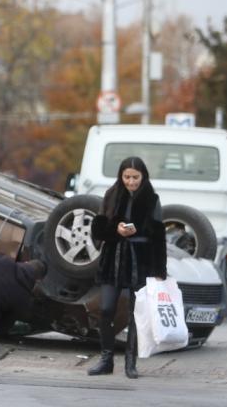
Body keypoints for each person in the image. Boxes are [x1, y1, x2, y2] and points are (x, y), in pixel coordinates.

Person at [88, 156, 167, 379]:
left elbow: (159, 236)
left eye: (135, 177)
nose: (131, 182)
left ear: (143, 177)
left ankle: (130, 363)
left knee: (136, 312)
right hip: (113, 257)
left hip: (140, 260)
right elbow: (98, 230)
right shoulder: (112, 194)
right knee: (105, 309)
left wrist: (160, 270)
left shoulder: (152, 199)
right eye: (127, 177)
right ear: (121, 176)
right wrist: (117, 230)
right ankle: (106, 359)